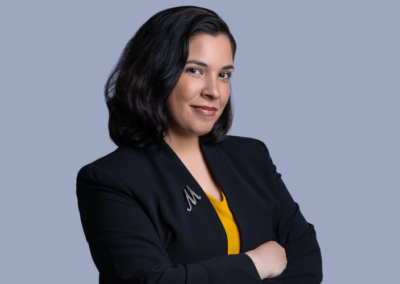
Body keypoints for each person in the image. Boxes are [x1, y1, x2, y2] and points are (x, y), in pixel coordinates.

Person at [76, 5, 323, 284]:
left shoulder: (252, 156)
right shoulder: (111, 180)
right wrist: (256, 263)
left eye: (224, 74)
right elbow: (150, 281)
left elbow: (308, 262)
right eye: (195, 70)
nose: (214, 91)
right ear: (155, 73)